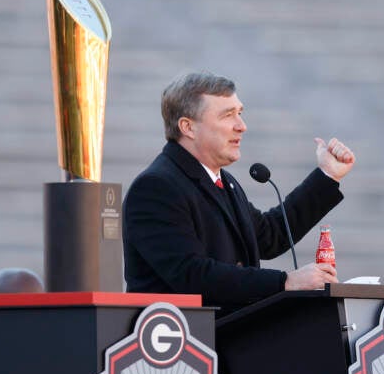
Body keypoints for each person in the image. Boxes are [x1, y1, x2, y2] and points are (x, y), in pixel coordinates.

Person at [123, 72, 355, 313]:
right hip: (179, 343)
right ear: (188, 127)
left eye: (240, 113)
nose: (241, 126)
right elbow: (191, 274)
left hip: (230, 339)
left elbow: (270, 236)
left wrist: (328, 175)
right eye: (227, 115)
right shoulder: (156, 187)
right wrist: (285, 281)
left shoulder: (222, 181)